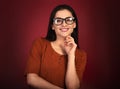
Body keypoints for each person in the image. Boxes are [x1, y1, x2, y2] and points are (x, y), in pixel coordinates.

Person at [25, 4, 87, 89]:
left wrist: (71, 55)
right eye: (58, 20)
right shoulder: (40, 44)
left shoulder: (81, 55)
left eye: (68, 20)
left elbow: (72, 87)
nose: (64, 24)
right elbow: (31, 79)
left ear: (74, 24)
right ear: (52, 26)